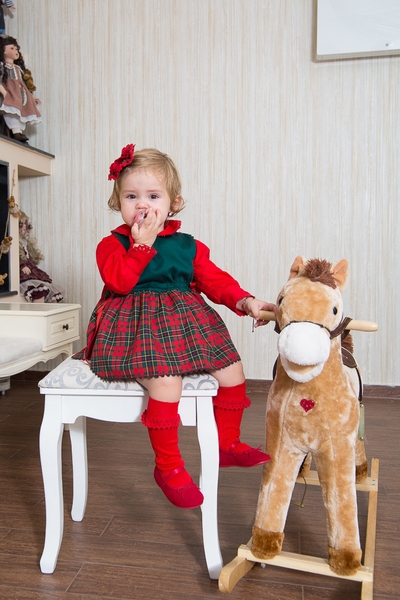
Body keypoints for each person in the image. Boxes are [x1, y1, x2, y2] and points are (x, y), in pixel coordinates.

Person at [74, 144, 276, 509]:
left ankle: (227, 443)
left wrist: (245, 301)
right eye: (131, 196)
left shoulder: (187, 246)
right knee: (167, 381)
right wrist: (141, 246)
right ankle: (168, 467)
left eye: (153, 196)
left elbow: (216, 281)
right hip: (131, 327)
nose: (142, 205)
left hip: (183, 326)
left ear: (174, 203)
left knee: (232, 369)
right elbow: (119, 282)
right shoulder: (112, 244)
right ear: (118, 202)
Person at [0, 36, 41, 143]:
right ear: (3, 51)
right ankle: (16, 132)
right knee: (12, 112)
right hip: (11, 94)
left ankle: (18, 132)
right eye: (12, 48)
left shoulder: (18, 69)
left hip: (20, 94)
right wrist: (5, 93)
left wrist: (31, 97)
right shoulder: (2, 67)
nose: (16, 51)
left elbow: (23, 84)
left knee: (20, 112)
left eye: (16, 49)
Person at [19, 212, 64, 303]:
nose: (24, 226)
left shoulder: (24, 242)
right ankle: (40, 309)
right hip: (22, 273)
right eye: (21, 224)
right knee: (39, 289)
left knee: (48, 288)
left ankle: (48, 310)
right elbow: (14, 258)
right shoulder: (15, 243)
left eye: (25, 224)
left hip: (29, 269)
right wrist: (22, 265)